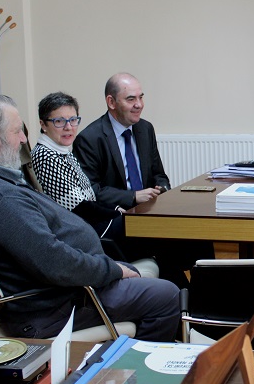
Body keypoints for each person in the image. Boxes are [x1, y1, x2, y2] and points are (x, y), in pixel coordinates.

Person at [0, 91, 181, 342]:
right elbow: (56, 263)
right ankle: (139, 371)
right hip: (54, 306)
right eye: (17, 132)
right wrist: (113, 270)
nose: (24, 139)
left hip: (47, 296)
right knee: (165, 295)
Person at [74, 73, 214, 287]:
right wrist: (133, 196)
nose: (139, 105)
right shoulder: (90, 138)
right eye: (131, 99)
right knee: (167, 245)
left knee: (200, 234)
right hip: (120, 222)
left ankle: (205, 299)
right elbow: (91, 192)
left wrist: (163, 188)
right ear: (111, 102)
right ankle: (183, 301)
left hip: (151, 214)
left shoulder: (145, 129)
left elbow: (159, 173)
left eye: (141, 97)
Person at [31, 92, 124, 240]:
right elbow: (78, 207)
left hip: (88, 223)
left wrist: (116, 208)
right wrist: (117, 214)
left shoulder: (63, 151)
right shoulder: (44, 155)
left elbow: (89, 197)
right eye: (59, 121)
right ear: (43, 124)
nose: (69, 127)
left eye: (73, 120)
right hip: (78, 231)